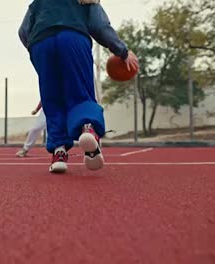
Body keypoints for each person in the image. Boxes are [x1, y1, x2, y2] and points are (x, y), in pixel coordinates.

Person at [18, 0, 139, 173]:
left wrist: (37, 49)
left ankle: (59, 154)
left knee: (52, 101)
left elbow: (23, 32)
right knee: (81, 93)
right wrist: (122, 51)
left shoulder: (39, 2)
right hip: (72, 38)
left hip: (41, 44)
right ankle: (88, 128)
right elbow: (100, 26)